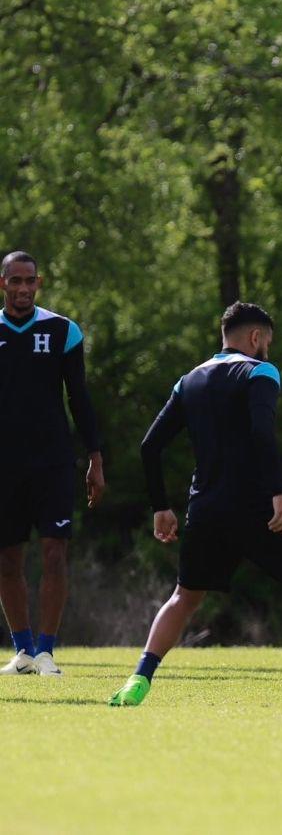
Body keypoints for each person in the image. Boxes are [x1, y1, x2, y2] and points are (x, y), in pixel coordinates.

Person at [110, 302, 282, 707]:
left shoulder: (189, 380)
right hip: (255, 507)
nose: (267, 348)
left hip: (206, 508)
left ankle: (138, 680)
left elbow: (150, 446)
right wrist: (278, 495)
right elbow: (261, 434)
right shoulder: (260, 371)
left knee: (184, 597)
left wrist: (161, 506)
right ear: (255, 338)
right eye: (267, 340)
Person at [0, 250, 104, 677]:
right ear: (3, 283)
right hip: (4, 466)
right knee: (7, 560)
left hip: (53, 462)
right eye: (15, 281)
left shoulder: (63, 330)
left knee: (55, 553)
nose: (23, 288)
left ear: (38, 283)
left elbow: (78, 397)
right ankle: (22, 651)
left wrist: (95, 457)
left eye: (30, 281)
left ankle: (46, 652)